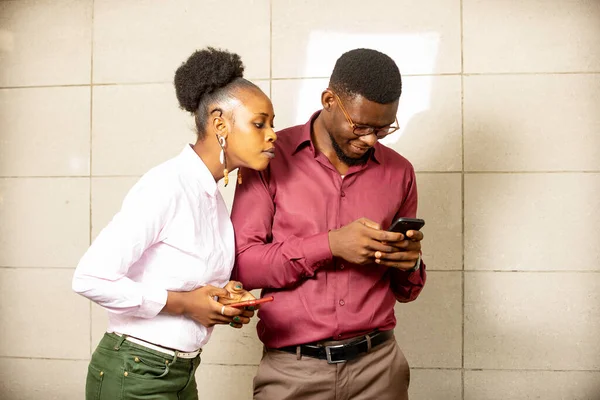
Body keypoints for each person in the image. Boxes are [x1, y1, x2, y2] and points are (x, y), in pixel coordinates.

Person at [72, 47, 277, 400]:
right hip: (134, 373)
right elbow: (89, 278)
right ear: (219, 124)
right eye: (260, 124)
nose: (273, 134)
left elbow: (187, 283)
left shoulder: (211, 195)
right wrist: (184, 304)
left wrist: (224, 300)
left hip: (180, 373)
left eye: (272, 124)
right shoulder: (167, 185)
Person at [231, 48, 426, 400]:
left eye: (383, 129)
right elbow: (242, 264)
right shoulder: (268, 157)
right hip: (293, 371)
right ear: (329, 100)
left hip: (379, 369)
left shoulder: (400, 172)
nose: (370, 140)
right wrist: (331, 245)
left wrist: (409, 261)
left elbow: (407, 290)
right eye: (361, 126)